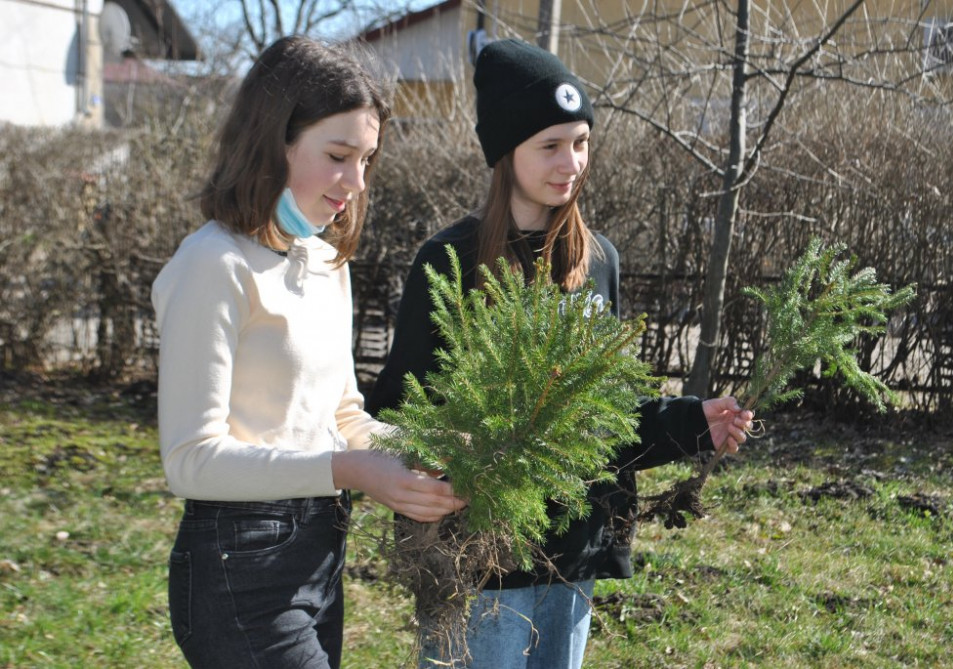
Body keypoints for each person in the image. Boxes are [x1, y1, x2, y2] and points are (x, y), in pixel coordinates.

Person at [366, 39, 754, 669]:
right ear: (506, 153)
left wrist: (692, 423)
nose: (570, 162)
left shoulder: (597, 261)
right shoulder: (450, 261)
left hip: (573, 557)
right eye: (550, 145)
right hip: (480, 561)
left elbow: (606, 414)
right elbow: (401, 410)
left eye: (580, 142)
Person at [151, 36, 465, 669]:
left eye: (367, 159)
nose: (357, 182)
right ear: (274, 142)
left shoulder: (324, 262)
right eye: (339, 156)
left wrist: (428, 450)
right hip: (237, 571)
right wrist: (350, 471)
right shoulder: (213, 263)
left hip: (320, 555)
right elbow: (189, 460)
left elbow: (343, 416)